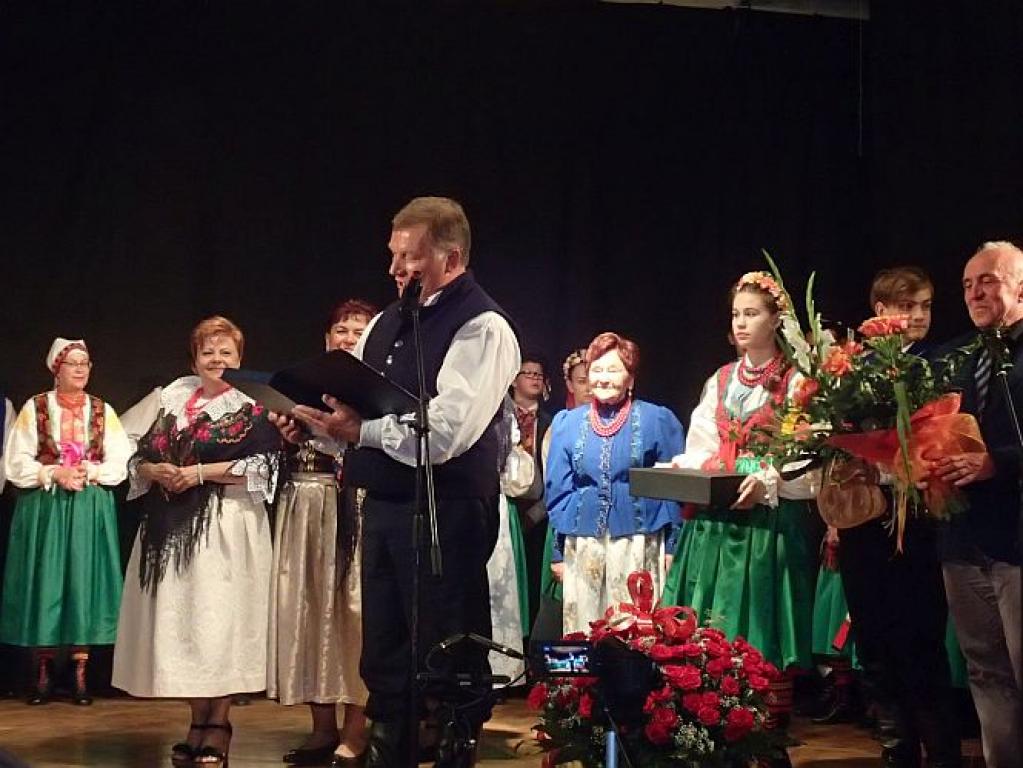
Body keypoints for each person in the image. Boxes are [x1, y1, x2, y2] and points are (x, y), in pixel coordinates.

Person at [285, 197, 520, 768]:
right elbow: (359, 416)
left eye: (409, 257)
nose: (394, 269)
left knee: (447, 638)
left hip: (447, 508)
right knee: (386, 643)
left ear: (451, 258)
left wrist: (360, 430)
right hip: (387, 502)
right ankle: (389, 747)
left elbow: (446, 432)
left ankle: (453, 744)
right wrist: (315, 427)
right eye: (392, 255)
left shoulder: (482, 326)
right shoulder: (388, 321)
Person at [111, 316, 283, 767]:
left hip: (227, 525)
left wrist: (199, 473)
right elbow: (137, 453)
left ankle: (219, 722)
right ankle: (196, 719)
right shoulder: (173, 398)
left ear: (240, 359)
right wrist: (154, 470)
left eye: (226, 352)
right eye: (208, 352)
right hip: (173, 528)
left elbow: (264, 466)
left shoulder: (252, 406)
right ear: (194, 360)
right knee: (186, 624)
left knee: (221, 621)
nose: (217, 360)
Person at [663, 271, 819, 743]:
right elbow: (701, 443)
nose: (741, 323)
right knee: (711, 619)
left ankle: (764, 730)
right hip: (716, 519)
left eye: (752, 313)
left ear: (776, 320)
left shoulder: (797, 382)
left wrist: (769, 478)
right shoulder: (721, 379)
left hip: (767, 523)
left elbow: (810, 458)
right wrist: (690, 467)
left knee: (761, 621)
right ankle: (711, 722)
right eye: (736, 314)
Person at [819, 266, 962, 768]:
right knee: (875, 638)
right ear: (879, 312)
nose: (918, 316)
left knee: (921, 639)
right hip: (865, 523)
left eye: (926, 306)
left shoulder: (937, 367)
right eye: (907, 306)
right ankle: (897, 748)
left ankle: (941, 752)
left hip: (919, 521)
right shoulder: (850, 372)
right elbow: (835, 447)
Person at [927, 241, 1023, 768]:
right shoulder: (955, 356)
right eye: (967, 284)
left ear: (1021, 287)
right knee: (985, 671)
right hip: (964, 539)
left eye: (988, 280)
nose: (975, 292)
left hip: (1017, 540)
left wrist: (998, 463)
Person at [269, 298, 375, 768]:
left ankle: (356, 732)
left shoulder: (376, 390)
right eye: (341, 330)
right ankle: (321, 728)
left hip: (355, 508)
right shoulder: (304, 386)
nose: (348, 338)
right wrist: (285, 435)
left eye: (358, 331)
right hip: (304, 507)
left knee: (354, 616)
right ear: (326, 337)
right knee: (309, 612)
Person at [0, 339, 130, 705]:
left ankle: (80, 672)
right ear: (56, 369)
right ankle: (42, 671)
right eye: (72, 363)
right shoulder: (37, 408)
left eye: (85, 362)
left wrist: (92, 471)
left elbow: (121, 459)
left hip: (89, 505)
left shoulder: (102, 410)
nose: (80, 369)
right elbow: (16, 460)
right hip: (47, 506)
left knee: (84, 582)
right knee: (46, 580)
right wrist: (54, 473)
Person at [545, 331, 684, 635]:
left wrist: (673, 546)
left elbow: (674, 490)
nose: (603, 378)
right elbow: (558, 491)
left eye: (612, 369)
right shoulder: (567, 423)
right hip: (584, 543)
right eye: (596, 370)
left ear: (630, 377)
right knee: (584, 627)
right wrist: (558, 552)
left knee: (635, 627)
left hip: (639, 541)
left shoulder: (657, 420)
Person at [502, 354, 552, 636]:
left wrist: (535, 514)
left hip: (540, 511)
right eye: (528, 373)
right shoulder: (499, 417)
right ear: (513, 380)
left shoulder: (552, 422)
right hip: (504, 508)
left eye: (538, 374)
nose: (534, 378)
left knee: (534, 578)